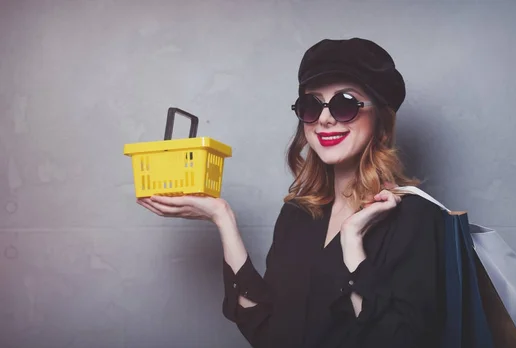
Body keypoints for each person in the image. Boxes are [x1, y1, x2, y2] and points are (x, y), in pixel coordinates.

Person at [137, 38, 446, 348]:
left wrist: (352, 241)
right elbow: (267, 330)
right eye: (311, 105)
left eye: (345, 103)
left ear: (380, 118)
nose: (325, 119)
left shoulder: (417, 217)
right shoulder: (298, 214)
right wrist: (223, 218)